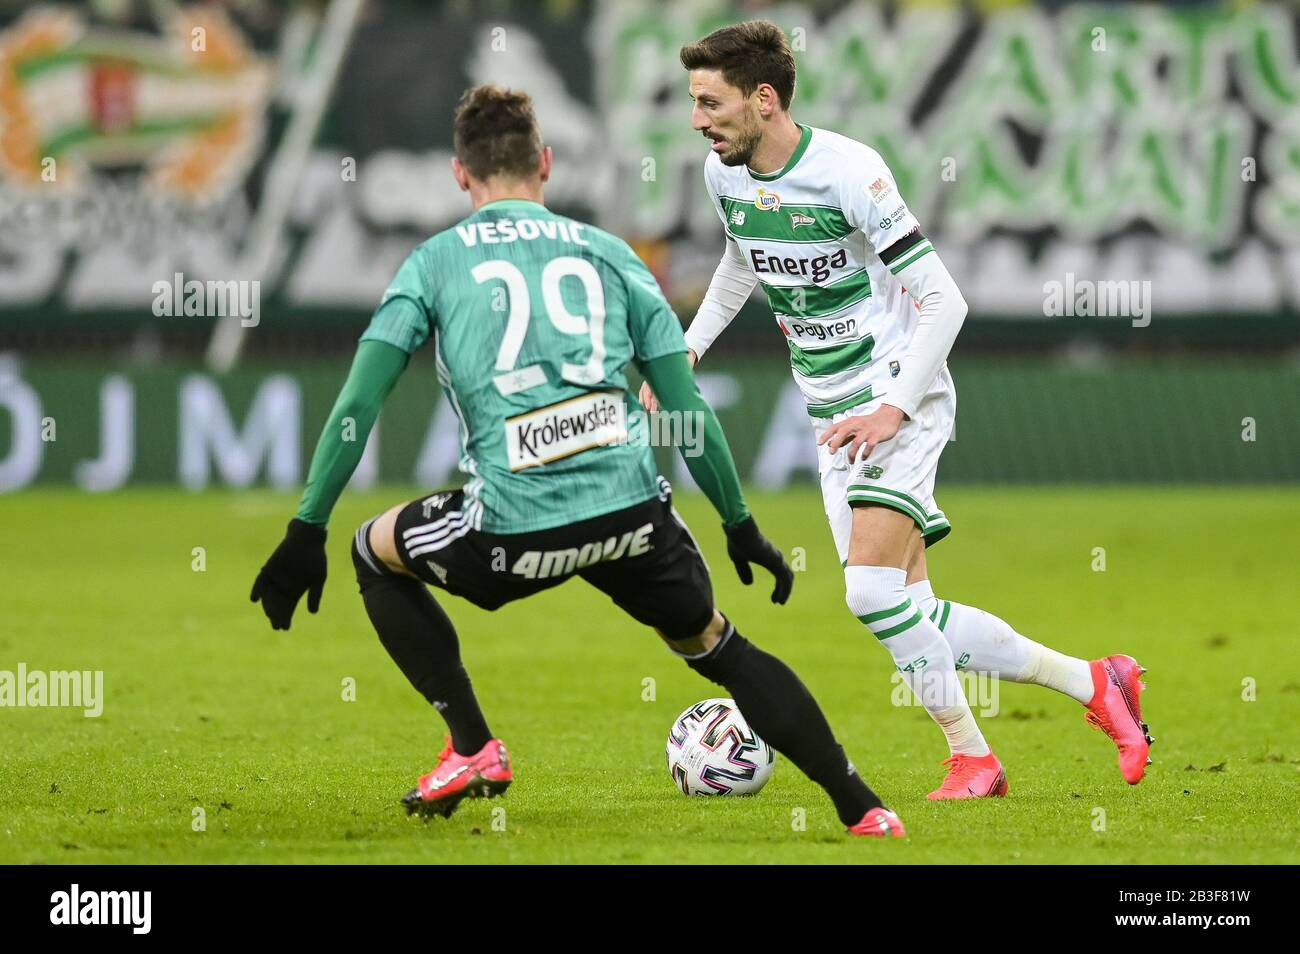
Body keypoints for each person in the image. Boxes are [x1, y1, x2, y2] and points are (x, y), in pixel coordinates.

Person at [251, 84, 906, 837]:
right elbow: (685, 407)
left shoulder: (432, 265)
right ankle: (862, 805)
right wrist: (739, 524)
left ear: (461, 175)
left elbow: (357, 407)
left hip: (513, 525)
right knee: (718, 645)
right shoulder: (611, 256)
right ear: (547, 165)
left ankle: (472, 746)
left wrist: (307, 528)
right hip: (632, 514)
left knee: (372, 551)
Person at [641, 21, 1152, 798]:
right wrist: (689, 348)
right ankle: (1097, 682)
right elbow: (741, 262)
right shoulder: (727, 175)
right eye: (693, 102)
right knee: (909, 610)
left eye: (709, 102)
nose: (696, 120)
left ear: (764, 99)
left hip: (895, 394)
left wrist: (894, 409)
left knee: (870, 594)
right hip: (827, 406)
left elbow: (946, 301)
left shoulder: (851, 171)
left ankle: (973, 758)